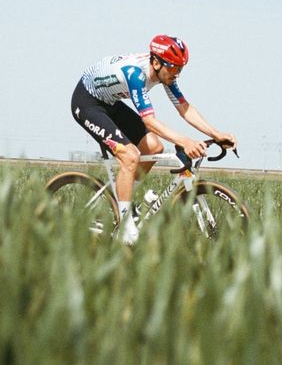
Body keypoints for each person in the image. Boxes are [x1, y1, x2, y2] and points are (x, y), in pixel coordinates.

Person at [70, 35, 237, 244]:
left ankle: (127, 206)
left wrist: (216, 134)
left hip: (109, 102)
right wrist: (185, 141)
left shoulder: (164, 73)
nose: (177, 74)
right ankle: (125, 225)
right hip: (87, 103)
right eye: (174, 68)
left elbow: (184, 109)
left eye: (180, 69)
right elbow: (149, 121)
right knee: (130, 157)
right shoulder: (136, 75)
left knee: (154, 148)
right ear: (156, 62)